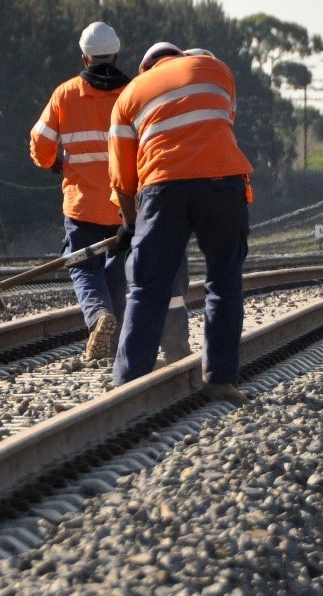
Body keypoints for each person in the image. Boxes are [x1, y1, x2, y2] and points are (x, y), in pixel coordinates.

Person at [108, 43, 253, 399]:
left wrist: (130, 224)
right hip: (223, 183)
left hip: (162, 188)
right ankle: (220, 379)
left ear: (146, 68)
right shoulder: (216, 69)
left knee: (147, 287)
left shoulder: (129, 96)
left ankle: (128, 384)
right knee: (224, 280)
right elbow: (223, 122)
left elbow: (122, 180)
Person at [30, 21, 133, 359]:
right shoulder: (134, 93)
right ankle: (113, 343)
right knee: (117, 271)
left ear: (85, 58)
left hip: (82, 204)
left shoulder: (66, 94)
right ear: (116, 56)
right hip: (125, 205)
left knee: (81, 266)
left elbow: (40, 143)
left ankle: (98, 316)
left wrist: (51, 163)